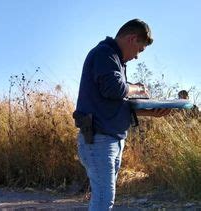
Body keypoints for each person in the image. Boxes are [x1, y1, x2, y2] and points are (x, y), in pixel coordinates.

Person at [73, 19, 171, 210]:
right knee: (103, 201)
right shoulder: (105, 54)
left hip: (110, 140)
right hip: (99, 140)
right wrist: (137, 88)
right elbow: (115, 89)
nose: (137, 57)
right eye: (140, 50)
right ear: (132, 39)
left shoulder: (115, 59)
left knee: (103, 199)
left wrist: (149, 113)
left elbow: (116, 102)